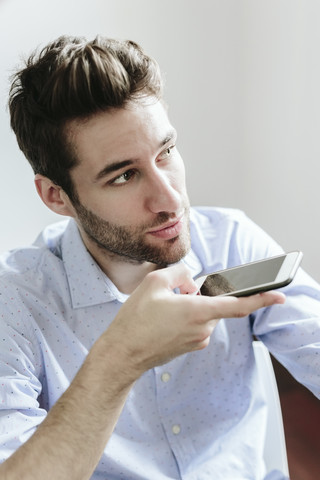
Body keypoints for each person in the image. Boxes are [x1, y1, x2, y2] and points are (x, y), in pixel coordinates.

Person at [0, 35, 319, 480]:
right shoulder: (15, 303)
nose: (170, 200)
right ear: (57, 196)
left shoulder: (231, 242)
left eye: (166, 152)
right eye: (124, 175)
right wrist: (122, 357)